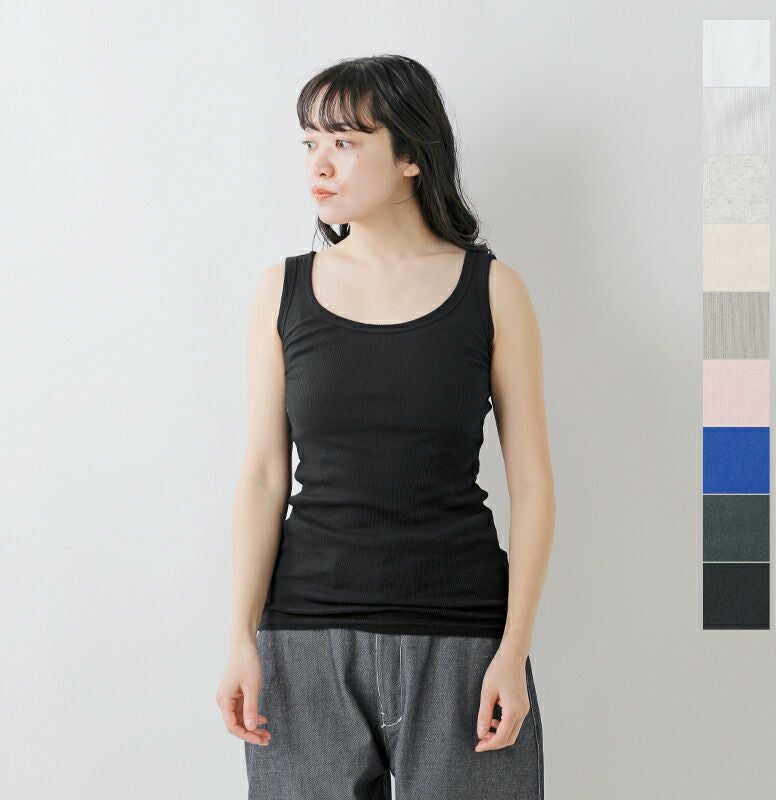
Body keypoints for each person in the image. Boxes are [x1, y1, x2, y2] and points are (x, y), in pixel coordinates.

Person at [216, 54, 556, 799]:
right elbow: (264, 476)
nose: (320, 164)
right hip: (304, 638)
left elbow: (532, 484)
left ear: (410, 156)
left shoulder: (493, 290)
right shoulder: (282, 290)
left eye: (345, 142)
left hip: (462, 638)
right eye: (311, 142)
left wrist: (513, 648)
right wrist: (240, 635)